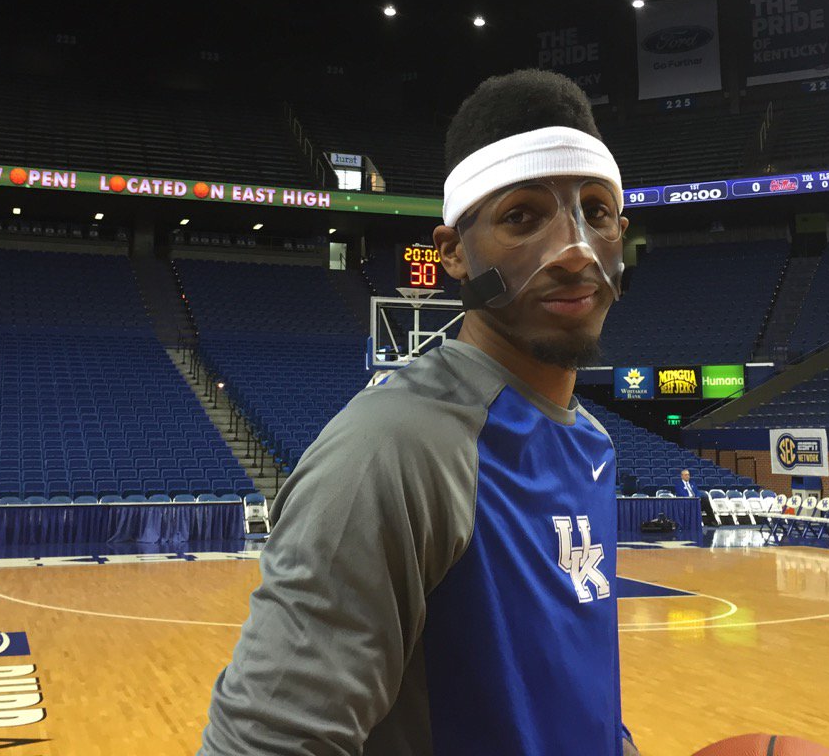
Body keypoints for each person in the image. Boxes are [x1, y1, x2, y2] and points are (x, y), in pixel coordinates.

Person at [198, 69, 640, 756]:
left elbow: (565, 696)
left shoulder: (591, 441)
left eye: (596, 211)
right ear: (453, 253)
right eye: (522, 217)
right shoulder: (393, 449)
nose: (575, 251)